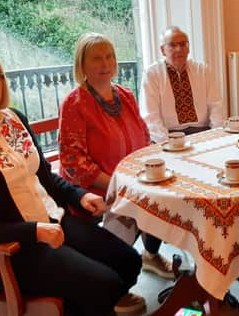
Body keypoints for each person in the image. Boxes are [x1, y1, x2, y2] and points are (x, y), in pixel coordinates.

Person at [0, 48, 145, 316]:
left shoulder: (15, 119)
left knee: (129, 262)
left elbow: (45, 177)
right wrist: (32, 231)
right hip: (7, 252)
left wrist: (79, 196)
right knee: (102, 284)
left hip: (54, 222)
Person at [59, 33, 174, 279]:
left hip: (130, 180)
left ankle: (150, 254)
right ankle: (115, 276)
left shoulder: (125, 95)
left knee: (165, 189)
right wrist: (117, 183)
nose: (105, 63)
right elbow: (73, 162)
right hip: (97, 190)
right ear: (82, 65)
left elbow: (143, 138)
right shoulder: (74, 103)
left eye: (109, 56)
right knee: (142, 199)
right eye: (97, 58)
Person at [140, 26, 224, 143]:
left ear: (188, 48)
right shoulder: (152, 74)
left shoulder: (202, 69)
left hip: (203, 132)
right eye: (173, 45)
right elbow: (150, 116)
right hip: (169, 135)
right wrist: (167, 142)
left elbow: (216, 105)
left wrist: (217, 135)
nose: (179, 49)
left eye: (183, 44)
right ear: (162, 50)